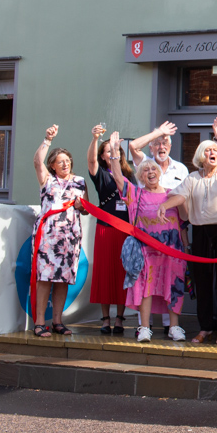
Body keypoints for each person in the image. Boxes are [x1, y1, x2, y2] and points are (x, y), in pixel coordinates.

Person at [159, 138, 217, 344]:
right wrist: (165, 206)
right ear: (200, 156)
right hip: (200, 231)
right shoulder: (192, 177)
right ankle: (205, 327)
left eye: (215, 150)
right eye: (207, 151)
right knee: (202, 280)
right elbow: (179, 196)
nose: (212, 153)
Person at [107, 133, 186, 342]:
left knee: (173, 284)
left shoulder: (171, 193)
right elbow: (117, 176)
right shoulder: (136, 194)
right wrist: (115, 152)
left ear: (159, 173)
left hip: (171, 250)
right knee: (146, 287)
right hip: (145, 251)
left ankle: (174, 327)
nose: (150, 172)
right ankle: (144, 328)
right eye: (145, 170)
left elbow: (184, 202)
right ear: (141, 177)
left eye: (153, 169)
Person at [31, 125, 87, 337]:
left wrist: (82, 206)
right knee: (45, 278)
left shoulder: (79, 182)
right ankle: (39, 322)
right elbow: (37, 161)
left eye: (68, 160)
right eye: (60, 161)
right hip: (48, 236)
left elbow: (86, 208)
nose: (65, 163)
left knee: (62, 279)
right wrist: (47, 140)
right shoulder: (47, 180)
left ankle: (57, 321)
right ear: (52, 165)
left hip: (69, 237)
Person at [86, 123, 131, 334]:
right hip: (105, 229)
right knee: (105, 273)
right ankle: (105, 319)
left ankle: (120, 318)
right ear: (104, 156)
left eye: (117, 150)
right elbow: (91, 161)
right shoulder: (101, 174)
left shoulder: (129, 175)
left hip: (125, 231)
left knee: (123, 273)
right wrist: (96, 139)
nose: (114, 153)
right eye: (109, 151)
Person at [128, 121, 189, 188]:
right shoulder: (145, 164)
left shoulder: (181, 169)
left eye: (164, 143)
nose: (161, 147)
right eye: (157, 144)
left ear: (170, 146)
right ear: (151, 148)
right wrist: (159, 132)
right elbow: (133, 146)